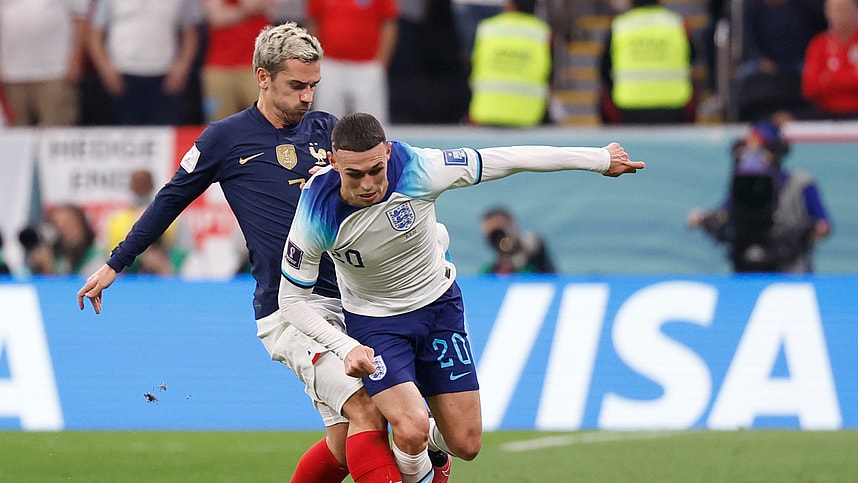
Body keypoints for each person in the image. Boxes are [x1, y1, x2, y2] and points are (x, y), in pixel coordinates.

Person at [77, 23, 404, 483]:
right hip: (289, 310)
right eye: (297, 86)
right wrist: (115, 262)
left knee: (344, 442)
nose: (308, 97)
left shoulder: (328, 131)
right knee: (369, 409)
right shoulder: (225, 139)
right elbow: (170, 199)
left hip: (349, 301)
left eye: (313, 86)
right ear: (263, 77)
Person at [279, 112, 644, 482]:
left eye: (376, 169)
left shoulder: (421, 168)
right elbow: (291, 300)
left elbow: (509, 159)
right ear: (334, 162)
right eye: (355, 174)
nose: (369, 184)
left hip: (439, 309)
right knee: (411, 427)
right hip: (375, 325)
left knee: (466, 443)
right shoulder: (316, 210)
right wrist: (345, 348)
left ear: (388, 152)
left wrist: (598, 159)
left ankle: (434, 451)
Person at [687, 121, 832, 273]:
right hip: (747, 263)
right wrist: (704, 219)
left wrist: (807, 232)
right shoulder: (743, 185)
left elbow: (823, 225)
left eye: (761, 150)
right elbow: (724, 213)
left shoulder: (801, 184)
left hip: (791, 270)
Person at [87, 0, 203, 125]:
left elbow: (190, 34)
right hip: (122, 76)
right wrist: (106, 70)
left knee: (165, 132)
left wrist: (182, 69)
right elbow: (95, 35)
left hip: (165, 77)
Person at [598, 0, 696, 124]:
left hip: (628, 108)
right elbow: (693, 57)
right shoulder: (677, 23)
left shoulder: (620, 25)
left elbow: (604, 70)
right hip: (675, 107)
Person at [304, 0, 399, 124]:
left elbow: (389, 23)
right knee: (326, 121)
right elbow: (313, 22)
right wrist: (314, 60)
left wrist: (381, 64)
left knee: (371, 124)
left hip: (367, 67)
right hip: (329, 65)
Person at [0, 0, 89, 126]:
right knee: (15, 135)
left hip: (55, 72)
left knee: (57, 131)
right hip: (11, 75)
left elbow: (81, 16)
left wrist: (76, 57)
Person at [734, 0, 826, 122]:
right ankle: (739, 118)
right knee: (744, 73)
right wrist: (760, 59)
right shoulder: (753, 7)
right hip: (765, 60)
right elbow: (748, 39)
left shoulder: (801, 5)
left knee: (814, 74)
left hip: (797, 58)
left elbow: (816, 31)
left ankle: (812, 114)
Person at [467, 0, 552, 127]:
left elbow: (473, 64)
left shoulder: (487, 28)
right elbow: (548, 73)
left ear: (510, 5)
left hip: (485, 111)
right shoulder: (542, 32)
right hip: (528, 115)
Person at [201, 0, 276, 123]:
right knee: (219, 124)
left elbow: (271, 7)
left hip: (258, 66)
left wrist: (236, 9)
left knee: (266, 121)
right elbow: (218, 18)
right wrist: (248, 9)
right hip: (219, 68)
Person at [801, 0, 858, 119]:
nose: (841, 14)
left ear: (855, 10)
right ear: (827, 13)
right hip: (825, 114)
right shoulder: (818, 44)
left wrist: (829, 77)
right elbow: (810, 87)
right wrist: (850, 77)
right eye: (837, 9)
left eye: (845, 8)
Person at [480, 207, 556, 274]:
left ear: (513, 225)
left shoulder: (535, 254)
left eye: (500, 232)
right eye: (492, 235)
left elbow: (534, 245)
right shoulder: (489, 272)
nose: (498, 238)